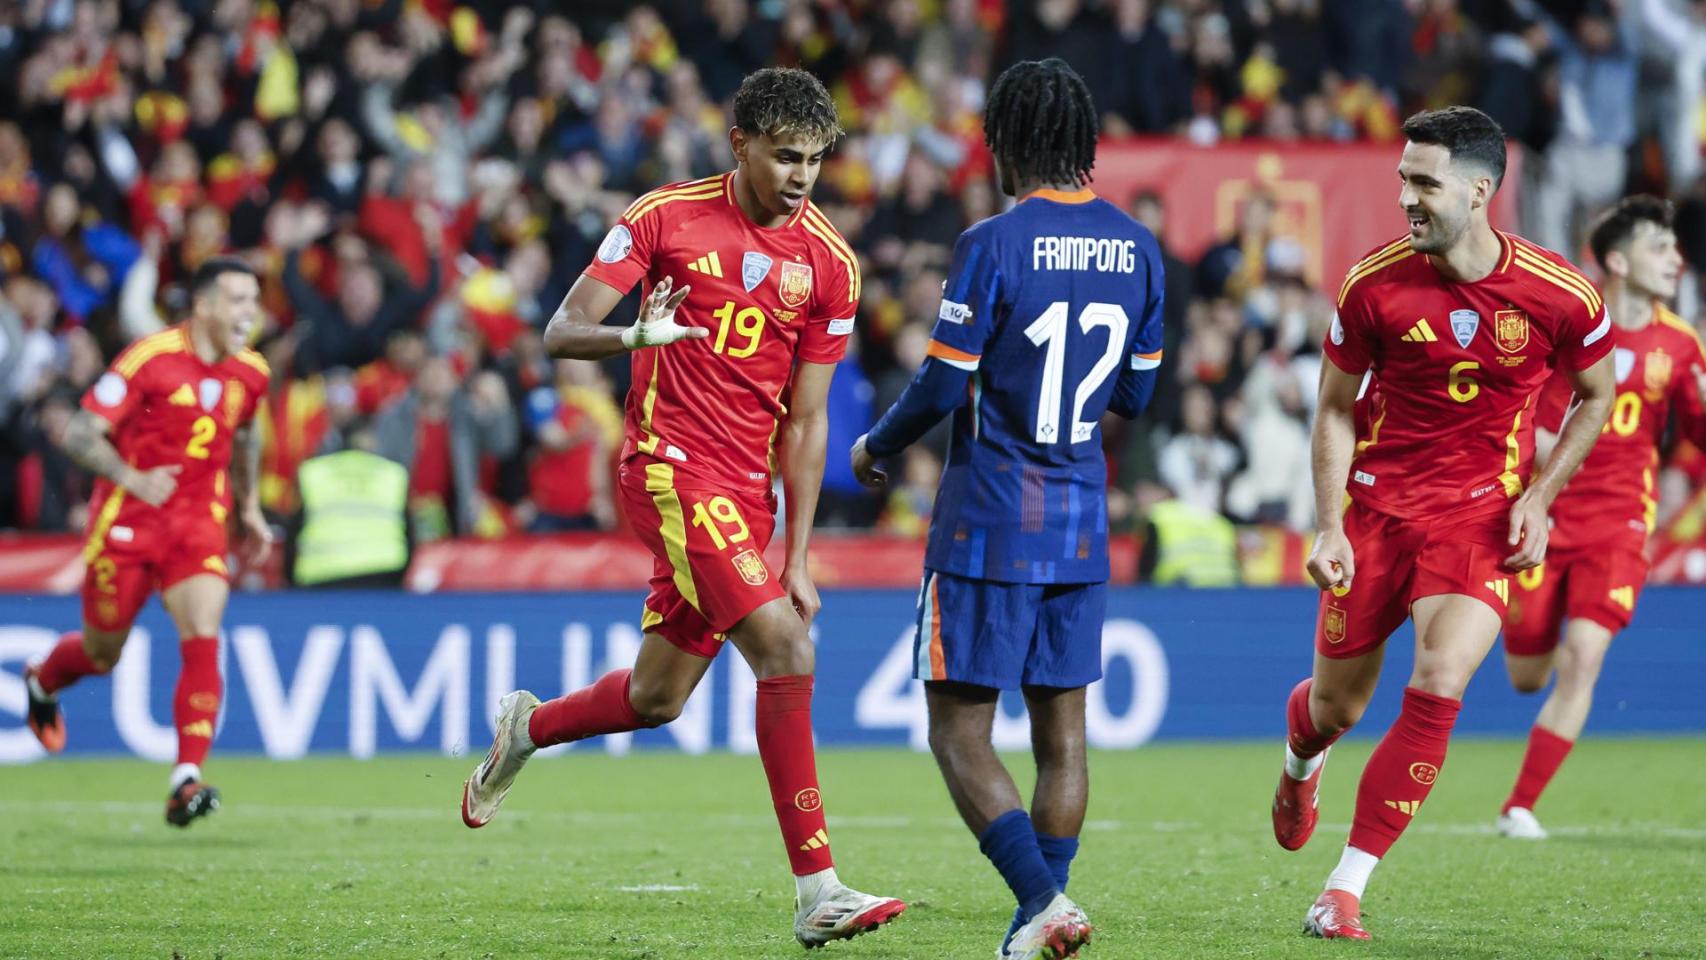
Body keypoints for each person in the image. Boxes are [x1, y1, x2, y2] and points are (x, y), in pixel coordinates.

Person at [457, 68, 905, 947]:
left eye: (815, 159)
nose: (803, 176)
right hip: (667, 469)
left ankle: (526, 729)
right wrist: (634, 334)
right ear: (741, 145)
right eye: (786, 156)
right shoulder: (663, 217)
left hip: (745, 499)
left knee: (656, 698)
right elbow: (559, 330)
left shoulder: (831, 264)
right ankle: (819, 889)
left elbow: (807, 421)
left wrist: (797, 556)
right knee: (785, 647)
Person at [1269, 106, 1617, 940]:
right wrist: (1329, 525)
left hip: (1478, 519)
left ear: (1480, 191)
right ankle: (1301, 760)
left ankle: (1344, 888)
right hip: (1376, 514)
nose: (1405, 199)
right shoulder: (1372, 285)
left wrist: (1540, 496)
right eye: (1403, 180)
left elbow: (1596, 395)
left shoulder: (1560, 294)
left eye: (1423, 183)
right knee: (1336, 708)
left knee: (1441, 678)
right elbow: (1333, 409)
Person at [851, 58, 1165, 960]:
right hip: (1080, 517)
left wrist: (877, 446)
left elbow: (941, 383)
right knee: (1063, 737)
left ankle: (1042, 903)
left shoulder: (992, 242)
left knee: (958, 730)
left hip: (990, 513)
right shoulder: (1139, 247)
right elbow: (1136, 397)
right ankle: (1042, 914)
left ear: (1008, 143)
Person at [22, 257, 273, 827]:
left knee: (203, 632)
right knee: (102, 652)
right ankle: (43, 677)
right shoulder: (150, 359)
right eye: (238, 300)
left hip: (199, 522)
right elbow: (81, 431)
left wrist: (249, 504)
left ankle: (186, 777)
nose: (250, 312)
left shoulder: (251, 371)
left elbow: (247, 431)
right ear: (204, 306)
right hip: (129, 522)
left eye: (254, 300)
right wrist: (132, 477)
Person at [1497, 196, 1706, 839]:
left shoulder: (1681, 344)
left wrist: (1693, 445)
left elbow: (1698, 433)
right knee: (1527, 675)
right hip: (1545, 515)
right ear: (1616, 261)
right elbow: (1524, 415)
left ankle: (1519, 807)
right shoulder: (1567, 327)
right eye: (1659, 247)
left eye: (1674, 248)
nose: (1675, 259)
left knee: (1584, 656)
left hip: (1621, 523)